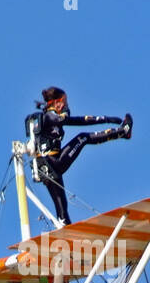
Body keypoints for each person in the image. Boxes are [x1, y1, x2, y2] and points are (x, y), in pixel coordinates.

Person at [27, 87, 131, 226]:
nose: (67, 105)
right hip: (52, 162)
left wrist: (106, 119)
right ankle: (122, 132)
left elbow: (80, 120)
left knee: (62, 206)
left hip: (48, 167)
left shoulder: (51, 118)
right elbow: (61, 118)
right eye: (65, 102)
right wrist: (65, 112)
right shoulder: (49, 116)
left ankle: (65, 230)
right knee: (83, 138)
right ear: (57, 102)